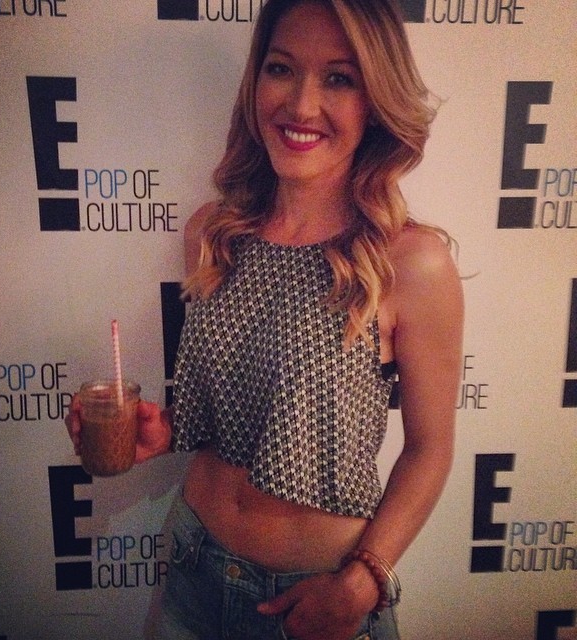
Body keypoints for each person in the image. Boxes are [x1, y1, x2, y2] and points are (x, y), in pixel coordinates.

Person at [67, 0, 464, 638]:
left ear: (375, 99)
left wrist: (361, 584)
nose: (302, 105)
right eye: (281, 69)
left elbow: (429, 451)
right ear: (257, 82)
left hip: (316, 601)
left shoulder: (411, 263)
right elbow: (245, 412)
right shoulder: (213, 233)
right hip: (193, 568)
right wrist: (165, 432)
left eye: (339, 78)